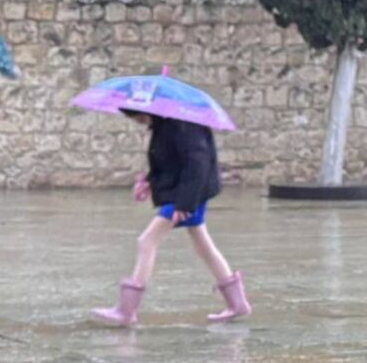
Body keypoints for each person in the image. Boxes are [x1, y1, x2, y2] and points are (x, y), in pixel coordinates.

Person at [90, 108, 249, 325]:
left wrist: (185, 203)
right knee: (203, 244)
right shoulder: (164, 122)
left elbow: (198, 163)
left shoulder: (184, 123)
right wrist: (148, 182)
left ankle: (127, 311)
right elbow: (168, 161)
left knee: (146, 241)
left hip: (188, 194)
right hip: (187, 193)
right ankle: (237, 303)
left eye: (138, 117)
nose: (139, 122)